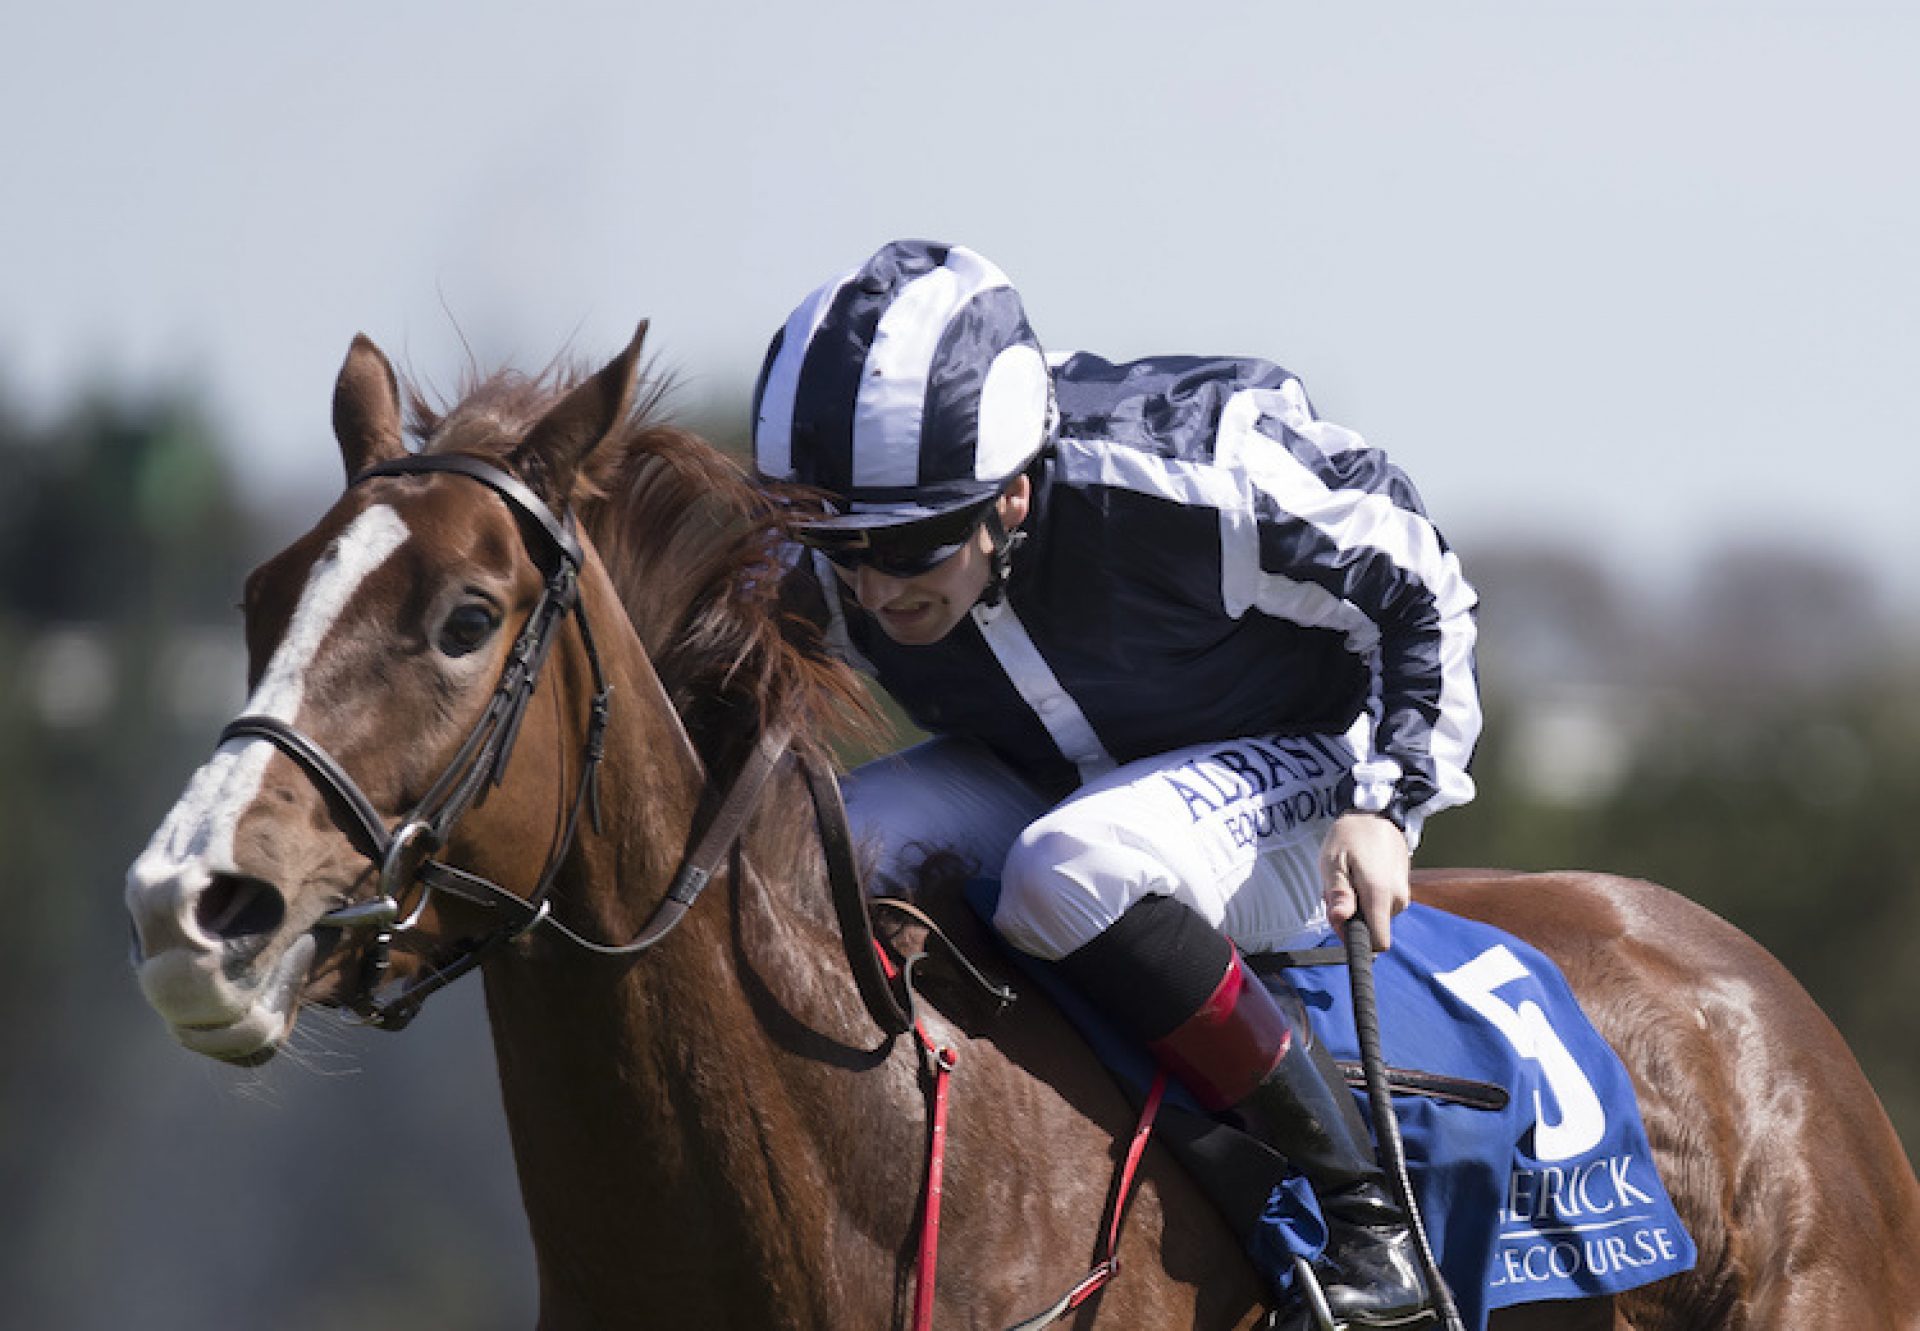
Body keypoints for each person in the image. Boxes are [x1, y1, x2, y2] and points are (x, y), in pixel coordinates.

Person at [753, 238, 1480, 1327]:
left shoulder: (1190, 471)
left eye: (910, 546)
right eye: (841, 543)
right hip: (1054, 777)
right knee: (822, 853)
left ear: (1011, 494)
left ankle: (1368, 1215)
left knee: (1068, 866)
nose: (868, 583)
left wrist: (1389, 798)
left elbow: (1419, 580)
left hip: (1297, 766)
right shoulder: (848, 553)